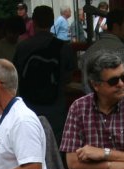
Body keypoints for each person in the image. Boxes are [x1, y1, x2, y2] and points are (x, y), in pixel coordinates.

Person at [13, 5, 75, 140]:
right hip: (56, 109)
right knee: (56, 149)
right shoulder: (64, 48)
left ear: (33, 22)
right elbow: (68, 77)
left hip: (28, 109)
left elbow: (16, 76)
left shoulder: (22, 47)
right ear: (52, 22)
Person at [82, 9, 124, 93]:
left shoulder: (90, 49)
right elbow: (122, 87)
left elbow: (85, 85)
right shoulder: (120, 49)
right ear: (116, 26)